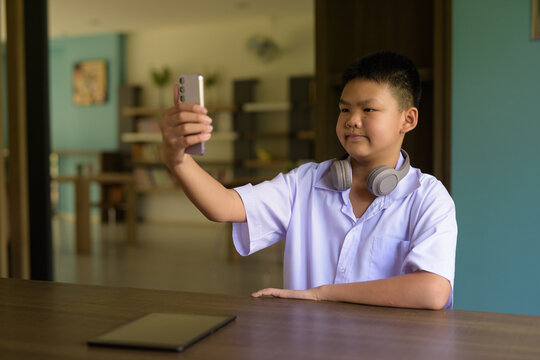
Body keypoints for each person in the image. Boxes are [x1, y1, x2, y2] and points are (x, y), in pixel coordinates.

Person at [160, 51, 457, 310]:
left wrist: (322, 294)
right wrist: (177, 159)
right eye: (344, 109)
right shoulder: (306, 181)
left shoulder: (428, 197)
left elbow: (431, 291)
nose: (352, 120)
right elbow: (223, 206)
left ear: (408, 119)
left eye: (368, 109)